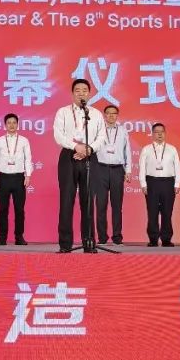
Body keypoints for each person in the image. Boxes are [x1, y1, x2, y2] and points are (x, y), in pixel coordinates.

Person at [53, 78, 103, 253]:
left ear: (89, 93)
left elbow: (101, 136)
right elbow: (58, 135)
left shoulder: (95, 114)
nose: (81, 93)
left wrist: (89, 149)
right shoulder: (63, 112)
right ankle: (65, 244)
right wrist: (76, 147)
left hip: (90, 156)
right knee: (66, 200)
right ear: (72, 93)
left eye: (84, 90)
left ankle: (89, 242)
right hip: (68, 156)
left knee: (88, 201)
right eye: (78, 90)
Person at [0, 113, 33, 246]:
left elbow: (28, 158)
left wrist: (28, 175)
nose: (11, 125)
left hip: (19, 178)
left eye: (14, 122)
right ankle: (2, 237)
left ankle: (19, 237)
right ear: (5, 125)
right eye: (9, 123)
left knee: (19, 209)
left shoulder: (24, 140)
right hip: (3, 177)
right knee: (3, 209)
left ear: (17, 124)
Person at [93, 104, 131, 246]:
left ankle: (117, 237)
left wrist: (128, 170)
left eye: (114, 113)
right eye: (108, 113)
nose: (111, 115)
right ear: (104, 115)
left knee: (117, 206)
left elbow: (127, 150)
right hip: (100, 169)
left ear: (117, 115)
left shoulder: (122, 131)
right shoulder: (98, 130)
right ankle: (102, 238)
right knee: (100, 205)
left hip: (117, 170)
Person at [139, 123, 180, 247]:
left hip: (168, 182)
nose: (159, 134)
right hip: (151, 182)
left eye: (161, 132)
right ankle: (153, 238)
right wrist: (143, 183)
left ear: (165, 133)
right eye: (156, 132)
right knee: (152, 212)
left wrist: (177, 183)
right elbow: (142, 167)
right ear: (152, 134)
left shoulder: (172, 149)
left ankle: (166, 239)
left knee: (167, 212)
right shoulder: (146, 149)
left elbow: (177, 167)